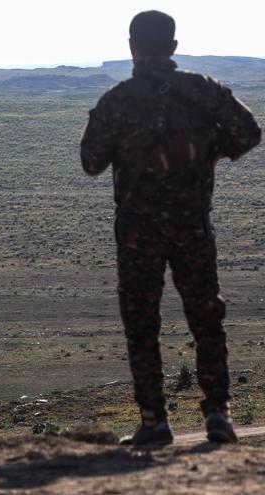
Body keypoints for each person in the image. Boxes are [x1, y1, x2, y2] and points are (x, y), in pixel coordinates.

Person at [81, 11, 261, 447]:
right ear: (174, 48)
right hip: (192, 225)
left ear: (132, 47)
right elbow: (249, 132)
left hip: (139, 230)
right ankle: (219, 413)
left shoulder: (116, 101)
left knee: (142, 324)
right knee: (206, 319)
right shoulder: (203, 90)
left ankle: (153, 421)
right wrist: (211, 153)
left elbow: (91, 162)